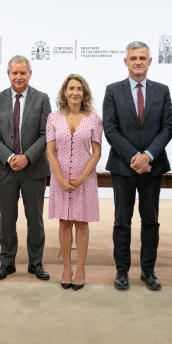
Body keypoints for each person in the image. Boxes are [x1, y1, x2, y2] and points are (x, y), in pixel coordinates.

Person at [103, 41, 172, 291]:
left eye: (142, 58)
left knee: (150, 220)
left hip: (152, 168)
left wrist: (148, 156)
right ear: (125, 62)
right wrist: (135, 157)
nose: (138, 62)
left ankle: (148, 270)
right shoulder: (113, 90)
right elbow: (110, 129)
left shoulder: (162, 90)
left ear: (150, 61)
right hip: (123, 167)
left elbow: (168, 127)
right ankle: (122, 271)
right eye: (133, 58)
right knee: (122, 220)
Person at [0, 54, 52, 281]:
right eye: (15, 72)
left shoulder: (42, 99)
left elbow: (46, 134)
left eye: (23, 72)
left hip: (33, 169)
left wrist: (27, 157)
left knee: (35, 219)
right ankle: (7, 263)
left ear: (30, 74)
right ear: (8, 74)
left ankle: (36, 263)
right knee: (7, 219)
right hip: (6, 169)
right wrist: (11, 156)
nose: (19, 77)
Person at [46, 74, 102, 291]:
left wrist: (83, 177)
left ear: (84, 93)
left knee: (81, 223)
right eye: (71, 88)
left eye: (79, 88)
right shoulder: (53, 117)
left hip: (84, 179)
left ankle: (80, 269)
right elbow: (50, 151)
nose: (75, 92)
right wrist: (59, 178)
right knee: (64, 223)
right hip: (60, 178)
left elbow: (96, 152)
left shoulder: (93, 119)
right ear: (64, 92)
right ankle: (67, 269)